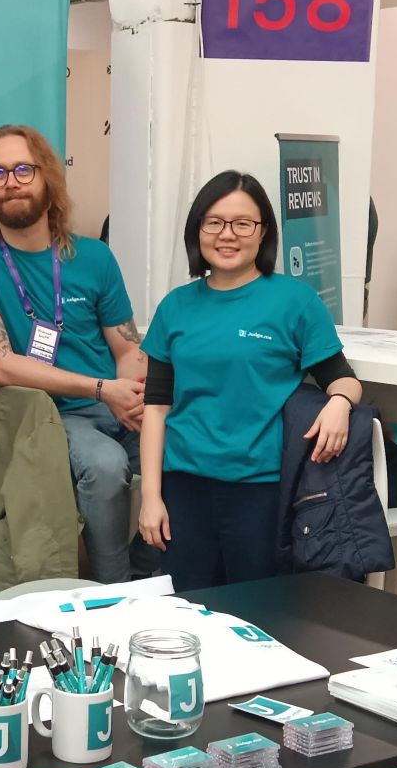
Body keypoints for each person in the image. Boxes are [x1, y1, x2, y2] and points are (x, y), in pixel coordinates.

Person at [138, 172, 362, 590]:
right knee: (188, 608)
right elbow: (156, 406)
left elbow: (343, 379)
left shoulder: (295, 301)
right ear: (198, 230)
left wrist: (339, 404)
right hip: (184, 487)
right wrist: (151, 497)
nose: (228, 235)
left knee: (258, 609)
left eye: (243, 223)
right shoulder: (175, 307)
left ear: (263, 232)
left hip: (262, 491)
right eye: (214, 222)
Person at [0, 125, 146, 583]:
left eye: (23, 169)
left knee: (190, 451)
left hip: (116, 400)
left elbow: (126, 346)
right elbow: (1, 365)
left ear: (47, 176)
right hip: (50, 414)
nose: (11, 182)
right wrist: (102, 389)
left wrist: (134, 397)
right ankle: (115, 591)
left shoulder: (94, 257)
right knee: (105, 466)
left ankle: (152, 568)